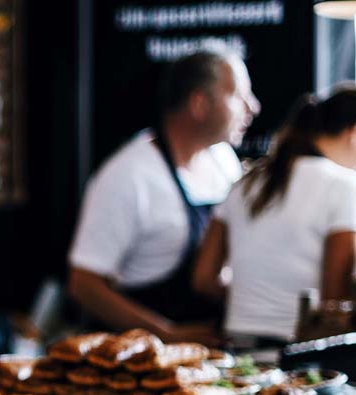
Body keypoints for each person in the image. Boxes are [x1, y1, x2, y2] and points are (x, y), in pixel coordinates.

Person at [67, 48, 260, 344]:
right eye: (238, 95)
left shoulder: (223, 160)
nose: (253, 107)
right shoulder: (128, 176)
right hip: (140, 358)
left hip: (211, 350)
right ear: (199, 104)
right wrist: (166, 334)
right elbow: (84, 284)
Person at [192, 87, 356, 346]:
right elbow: (334, 302)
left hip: (237, 347)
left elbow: (203, 279)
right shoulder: (346, 187)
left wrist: (254, 300)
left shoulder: (245, 183)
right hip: (301, 353)